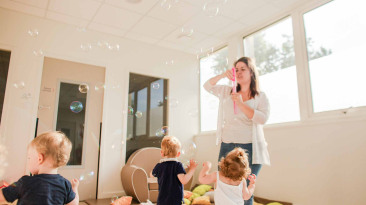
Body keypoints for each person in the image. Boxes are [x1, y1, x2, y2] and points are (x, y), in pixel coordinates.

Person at [203, 56, 270, 205]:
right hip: (227, 145)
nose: (239, 72)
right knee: (223, 187)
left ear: (251, 72)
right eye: (236, 69)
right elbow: (207, 86)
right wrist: (222, 75)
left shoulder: (260, 96)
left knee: (245, 192)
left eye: (243, 69)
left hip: (250, 148)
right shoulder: (227, 91)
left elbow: (262, 118)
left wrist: (240, 103)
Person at [0, 131, 79, 205]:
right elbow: (74, 203)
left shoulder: (23, 182)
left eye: (29, 158)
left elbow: (1, 196)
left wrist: (12, 186)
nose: (28, 160)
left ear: (39, 159)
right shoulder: (65, 185)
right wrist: (74, 188)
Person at [151, 136, 198, 205]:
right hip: (175, 201)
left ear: (162, 153)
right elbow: (184, 180)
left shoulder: (159, 165)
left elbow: (152, 176)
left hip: (162, 201)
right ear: (178, 154)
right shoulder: (178, 165)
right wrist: (192, 170)